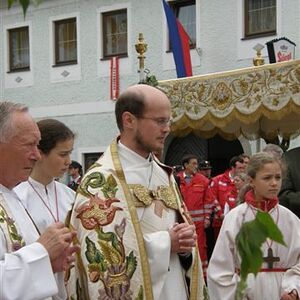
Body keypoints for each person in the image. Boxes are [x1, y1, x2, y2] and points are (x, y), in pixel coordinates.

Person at [67, 84, 206, 300]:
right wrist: (167, 242)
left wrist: (186, 248)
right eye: (160, 121)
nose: (167, 128)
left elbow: (180, 236)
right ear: (129, 120)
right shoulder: (101, 181)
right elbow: (102, 257)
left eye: (168, 121)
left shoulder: (163, 173)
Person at [0, 102, 78, 300]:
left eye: (38, 145)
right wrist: (41, 250)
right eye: (29, 145)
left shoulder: (10, 195)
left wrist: (48, 265)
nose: (36, 155)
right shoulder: (19, 193)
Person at [207, 152, 300, 300]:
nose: (274, 183)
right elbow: (219, 272)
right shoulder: (236, 218)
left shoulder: (291, 219)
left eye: (278, 177)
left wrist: (293, 289)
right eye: (267, 178)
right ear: (251, 181)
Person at [15, 119, 75, 233]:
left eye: (69, 153)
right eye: (63, 154)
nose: (68, 161)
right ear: (39, 153)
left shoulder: (71, 196)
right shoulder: (18, 197)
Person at [176, 154, 210, 276]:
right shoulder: (176, 179)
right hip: (183, 222)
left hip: (199, 224)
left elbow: (208, 200)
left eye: (196, 163)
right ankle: (187, 274)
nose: (196, 166)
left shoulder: (203, 181)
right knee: (185, 248)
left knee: (200, 248)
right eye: (194, 163)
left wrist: (207, 218)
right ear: (186, 165)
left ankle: (202, 276)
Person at [207, 155, 245, 239]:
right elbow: (212, 199)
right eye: (240, 168)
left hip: (238, 222)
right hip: (220, 222)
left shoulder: (244, 181)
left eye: (243, 168)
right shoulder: (217, 180)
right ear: (233, 168)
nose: (242, 170)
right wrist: (221, 214)